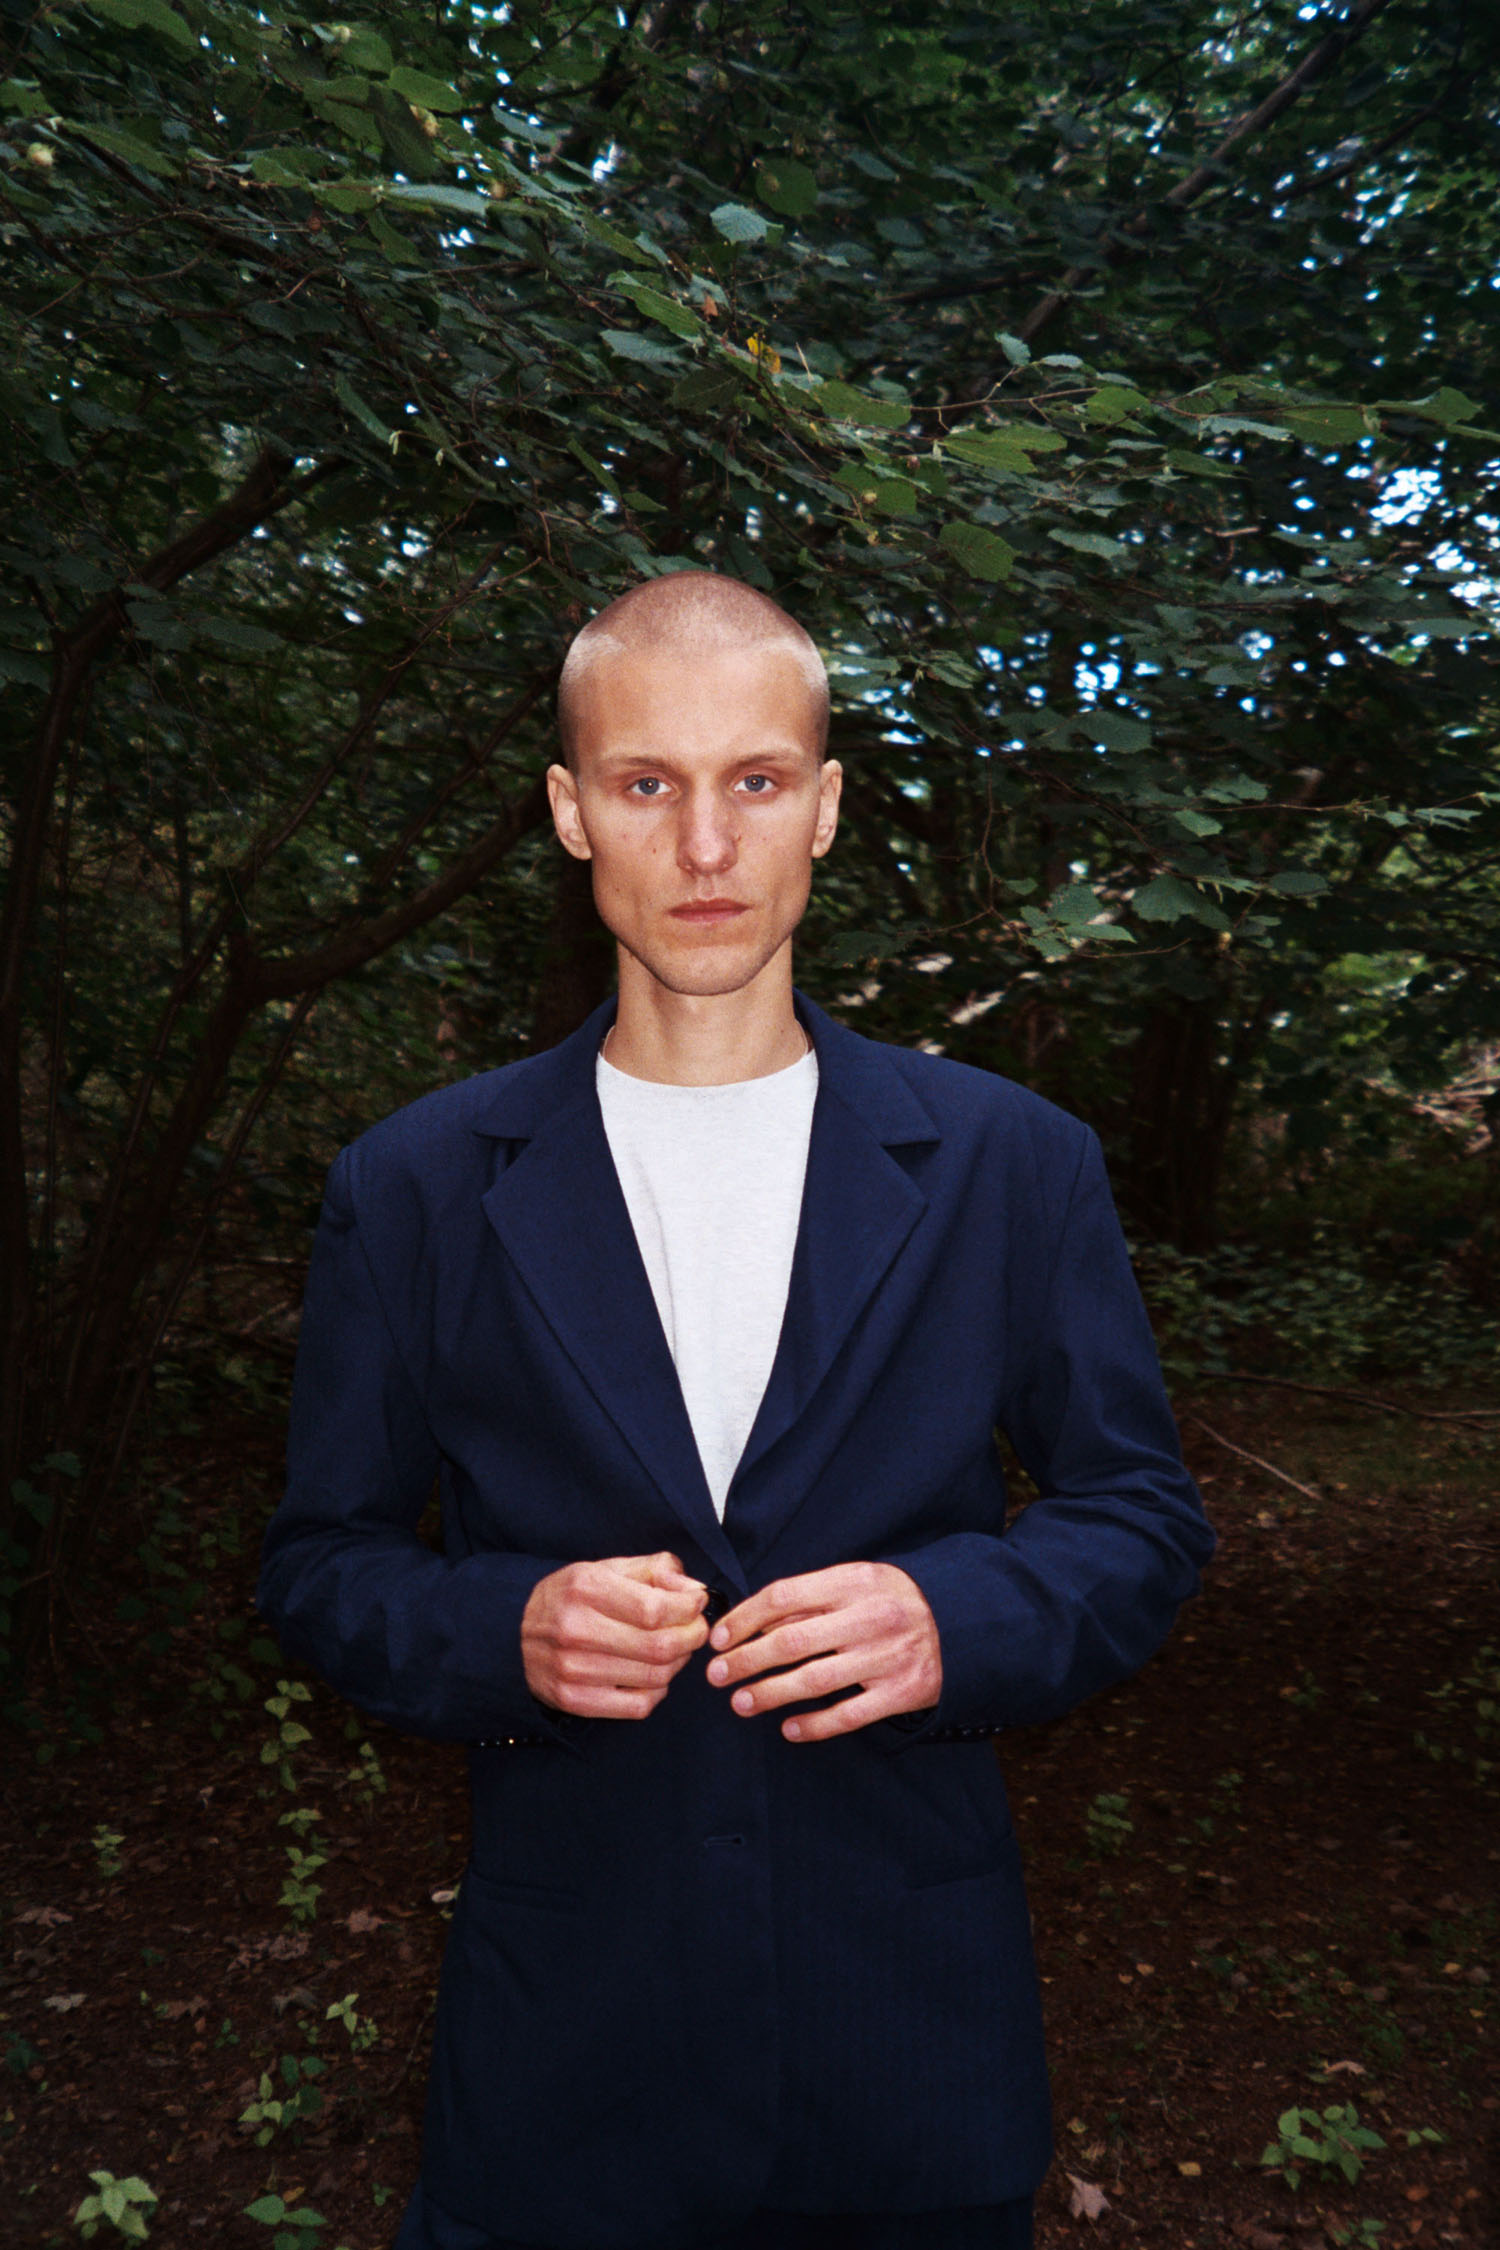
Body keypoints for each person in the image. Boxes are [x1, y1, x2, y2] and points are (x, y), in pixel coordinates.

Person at [257, 571, 1215, 2250]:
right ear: (572, 811)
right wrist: (503, 1627)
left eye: (755, 781)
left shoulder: (1010, 1164)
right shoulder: (416, 1184)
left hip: (907, 2059)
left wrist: (954, 1613)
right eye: (647, 783)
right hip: (561, 2071)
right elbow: (323, 1561)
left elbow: (1141, 1515)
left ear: (824, 807)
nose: (705, 844)